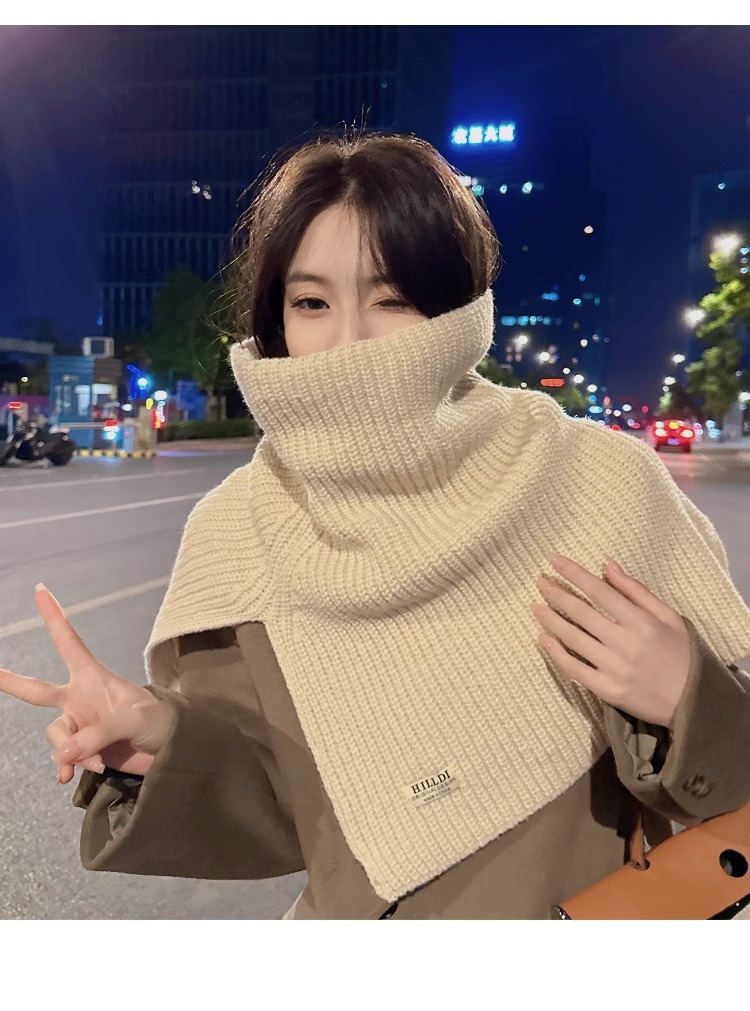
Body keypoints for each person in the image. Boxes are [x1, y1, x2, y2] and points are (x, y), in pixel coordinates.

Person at [2, 131, 750, 920]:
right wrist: (157, 739)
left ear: (456, 309)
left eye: (392, 298)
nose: (348, 340)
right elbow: (282, 809)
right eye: (311, 303)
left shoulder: (594, 481)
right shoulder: (237, 535)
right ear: (275, 322)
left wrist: (686, 696)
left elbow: (725, 782)